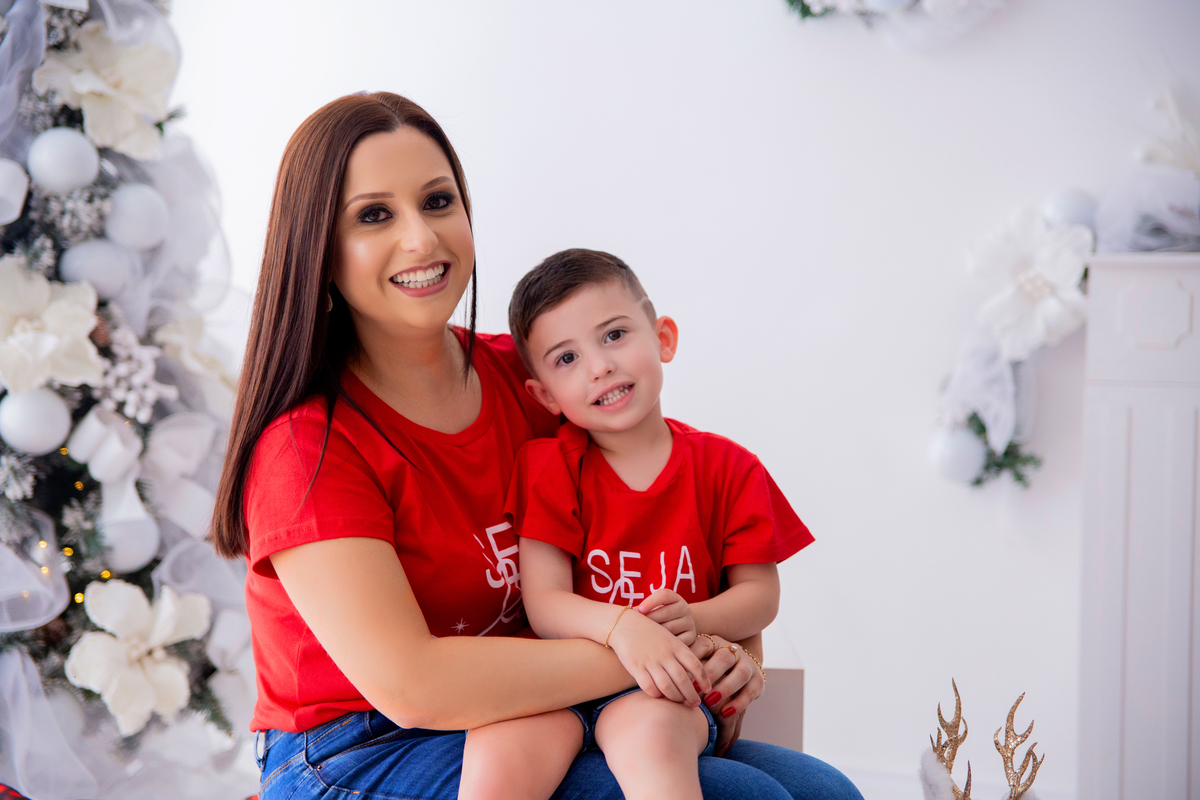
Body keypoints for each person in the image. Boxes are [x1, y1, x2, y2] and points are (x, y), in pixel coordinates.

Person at [210, 90, 864, 800]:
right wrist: (652, 650)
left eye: (438, 202)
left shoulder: (534, 379)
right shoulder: (305, 446)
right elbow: (413, 686)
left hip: (547, 705)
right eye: (374, 215)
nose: (423, 240)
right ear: (319, 252)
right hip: (358, 747)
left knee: (826, 792)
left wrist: (735, 651)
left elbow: (669, 525)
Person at [457, 249, 814, 800]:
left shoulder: (728, 467)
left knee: (650, 741)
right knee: (500, 751)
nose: (599, 365)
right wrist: (625, 628)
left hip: (664, 686)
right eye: (566, 358)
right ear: (545, 396)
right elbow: (546, 604)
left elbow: (760, 595)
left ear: (663, 338)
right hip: (559, 680)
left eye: (614, 335)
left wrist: (688, 619)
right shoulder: (548, 467)